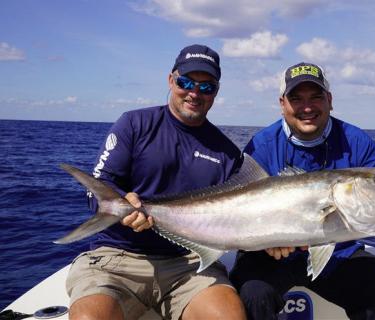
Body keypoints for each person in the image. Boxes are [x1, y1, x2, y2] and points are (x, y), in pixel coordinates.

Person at [66, 44, 246, 320]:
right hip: (117, 257)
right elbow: (100, 188)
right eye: (186, 82)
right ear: (171, 80)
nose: (194, 93)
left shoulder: (228, 153)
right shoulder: (134, 124)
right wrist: (123, 205)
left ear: (216, 92)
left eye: (206, 87)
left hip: (189, 263)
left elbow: (236, 220)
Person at [229, 62, 375, 320]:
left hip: (339, 253)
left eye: (316, 97)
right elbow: (241, 210)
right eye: (296, 98)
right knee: (252, 295)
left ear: (329, 100)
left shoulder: (357, 142)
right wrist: (265, 241)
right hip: (272, 256)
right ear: (283, 104)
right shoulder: (263, 144)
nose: (307, 107)